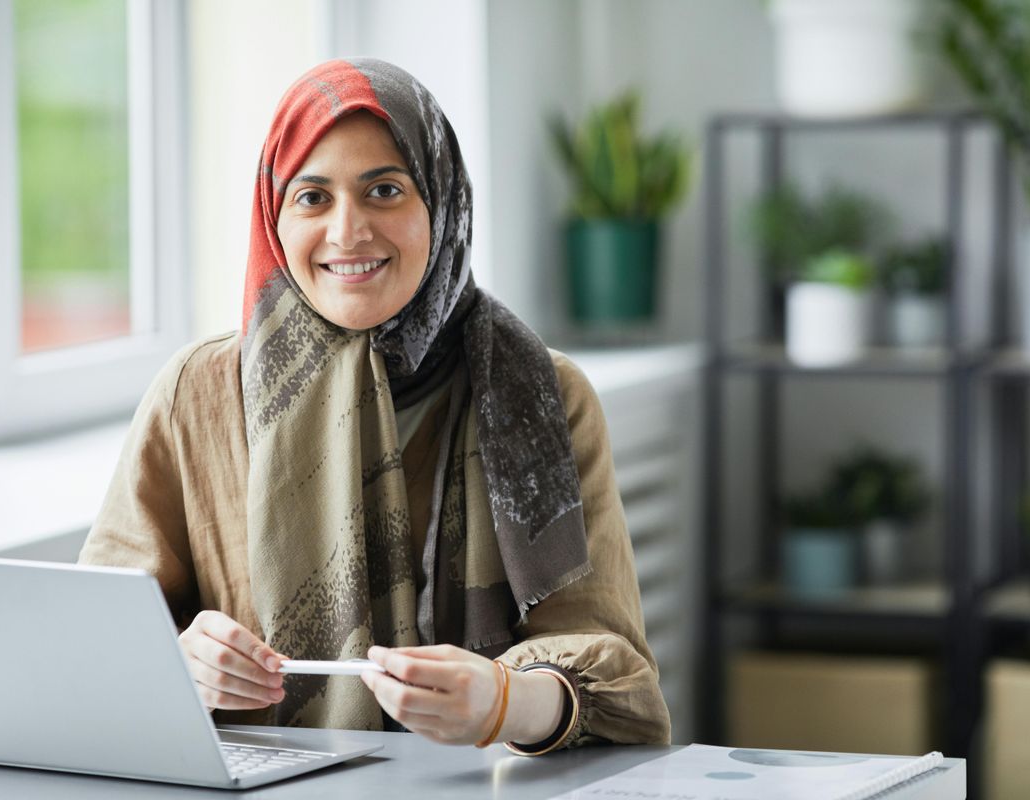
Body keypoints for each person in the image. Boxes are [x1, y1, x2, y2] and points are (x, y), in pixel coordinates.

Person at [79, 58, 670, 754]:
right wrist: (179, 662)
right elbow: (93, 643)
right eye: (312, 198)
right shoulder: (200, 393)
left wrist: (507, 703)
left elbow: (619, 680)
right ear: (274, 217)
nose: (347, 231)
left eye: (384, 190)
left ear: (443, 204)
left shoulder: (542, 394)